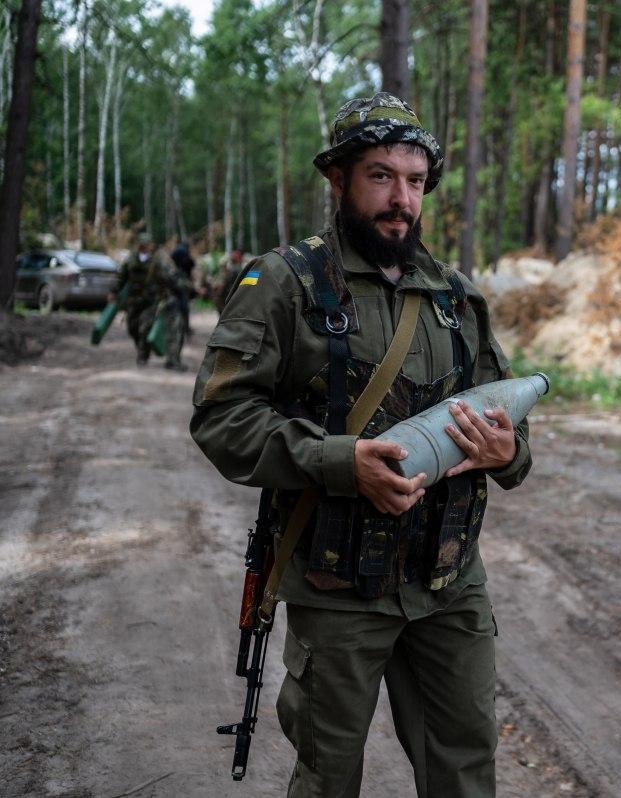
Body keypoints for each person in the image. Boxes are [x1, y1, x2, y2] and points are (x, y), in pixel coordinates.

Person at [190, 92, 532, 798]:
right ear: (338, 180)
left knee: (466, 769)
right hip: (339, 582)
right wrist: (338, 462)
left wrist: (509, 454)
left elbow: (506, 424)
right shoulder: (286, 282)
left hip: (448, 581)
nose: (401, 198)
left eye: (414, 181)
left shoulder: (455, 295)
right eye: (381, 176)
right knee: (329, 774)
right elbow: (222, 416)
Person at [112, 233, 189, 369]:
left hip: (151, 300)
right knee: (132, 328)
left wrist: (184, 287)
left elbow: (171, 276)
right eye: (142, 245)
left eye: (147, 245)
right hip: (134, 301)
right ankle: (143, 350)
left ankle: (143, 355)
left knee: (144, 327)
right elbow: (121, 276)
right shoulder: (131, 259)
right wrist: (113, 291)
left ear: (151, 245)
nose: (145, 247)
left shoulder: (158, 259)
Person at [171, 241, 196, 337]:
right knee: (184, 307)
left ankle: (177, 327)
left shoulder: (175, 253)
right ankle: (185, 328)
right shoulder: (186, 256)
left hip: (175, 282)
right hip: (183, 283)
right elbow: (192, 266)